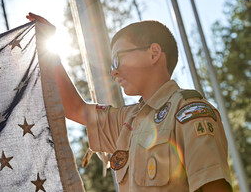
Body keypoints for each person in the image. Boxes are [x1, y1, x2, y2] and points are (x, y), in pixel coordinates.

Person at [27, 12, 232, 192]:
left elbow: (215, 187)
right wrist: (48, 51)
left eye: (118, 59)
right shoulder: (128, 121)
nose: (114, 71)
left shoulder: (189, 111)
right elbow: (74, 108)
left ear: (153, 53)